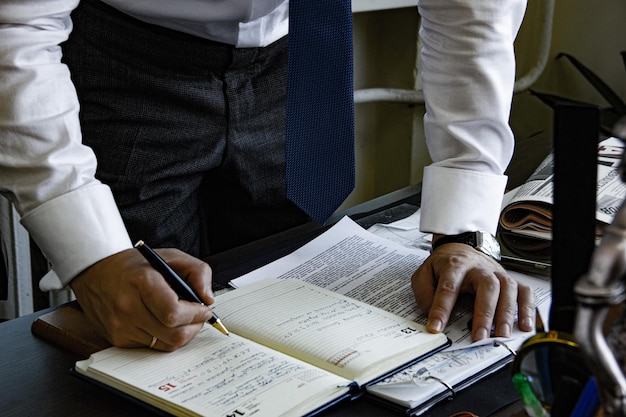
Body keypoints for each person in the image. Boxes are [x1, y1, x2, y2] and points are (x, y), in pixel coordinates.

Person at [0, 0, 534, 351]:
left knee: (293, 305)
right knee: (142, 324)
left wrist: (464, 231)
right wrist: (92, 255)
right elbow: (14, 25)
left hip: (299, 44)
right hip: (123, 52)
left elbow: (472, 9)